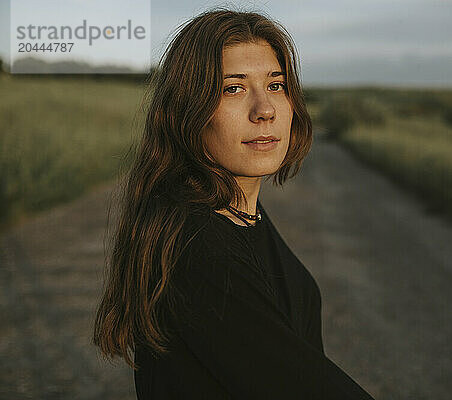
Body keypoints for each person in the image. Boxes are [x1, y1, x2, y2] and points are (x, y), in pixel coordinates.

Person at [93, 7, 375, 399]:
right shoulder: (198, 246)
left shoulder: (239, 214)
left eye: (276, 85)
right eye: (233, 88)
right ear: (188, 111)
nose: (265, 110)